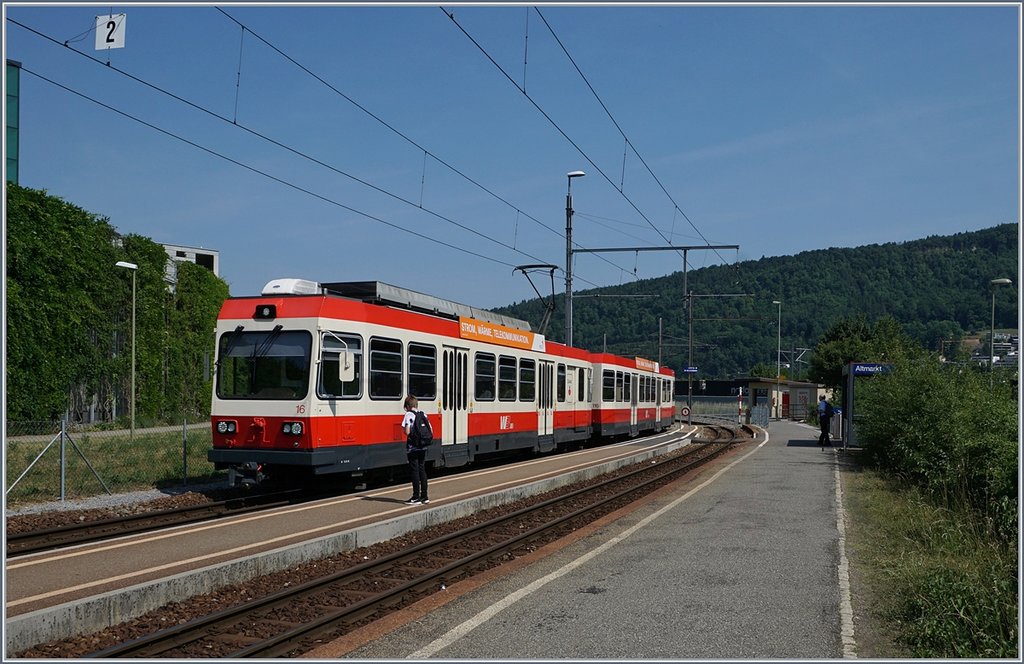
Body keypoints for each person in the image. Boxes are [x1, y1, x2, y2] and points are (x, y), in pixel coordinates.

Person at [401, 395, 431, 505]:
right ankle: (425, 496)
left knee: (414, 471)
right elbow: (430, 430)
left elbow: (407, 432)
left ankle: (415, 497)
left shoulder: (408, 415)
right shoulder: (423, 415)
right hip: (423, 446)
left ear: (408, 405)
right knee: (422, 469)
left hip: (413, 448)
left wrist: (405, 429)